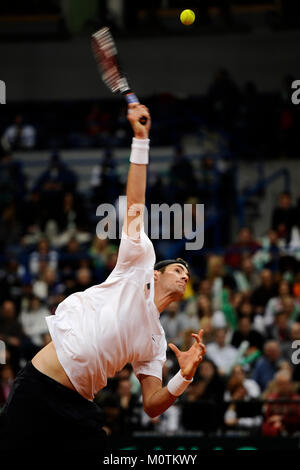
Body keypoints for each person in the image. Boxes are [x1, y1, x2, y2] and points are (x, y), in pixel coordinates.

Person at [0, 104, 206, 451]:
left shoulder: (155, 341)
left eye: (187, 273)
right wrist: (141, 140)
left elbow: (153, 403)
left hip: (78, 407)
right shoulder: (138, 263)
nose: (184, 275)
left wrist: (183, 376)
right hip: (39, 385)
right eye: (177, 269)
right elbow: (135, 205)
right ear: (156, 274)